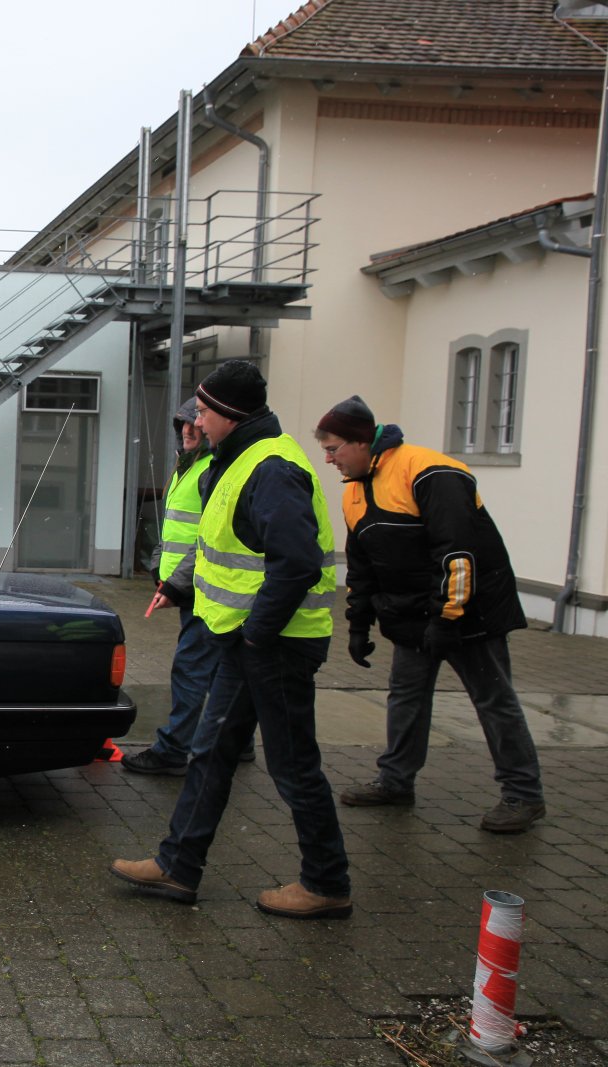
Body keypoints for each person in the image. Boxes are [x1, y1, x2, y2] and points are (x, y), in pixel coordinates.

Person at [111, 359, 352, 920]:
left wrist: (258, 635)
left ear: (229, 414)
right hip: (248, 641)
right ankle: (178, 866)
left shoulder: (272, 468)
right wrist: (178, 584)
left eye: (203, 410)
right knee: (211, 751)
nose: (196, 419)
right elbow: (215, 539)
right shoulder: (236, 458)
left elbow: (295, 563)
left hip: (276, 644)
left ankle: (326, 883)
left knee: (293, 765)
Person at [316, 396, 545, 833]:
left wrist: (446, 620)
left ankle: (524, 794)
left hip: (471, 612)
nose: (329, 460)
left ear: (360, 441)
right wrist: (358, 625)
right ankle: (395, 781)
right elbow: (362, 567)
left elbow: (458, 554)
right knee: (406, 696)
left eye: (333, 449)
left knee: (493, 700)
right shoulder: (354, 490)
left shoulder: (431, 472)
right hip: (412, 615)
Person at [123, 398, 252, 774]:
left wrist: (175, 581)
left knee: (191, 668)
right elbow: (175, 526)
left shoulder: (210, 469)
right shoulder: (188, 467)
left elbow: (207, 535)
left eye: (195, 422)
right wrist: (159, 565)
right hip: (192, 583)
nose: (187, 429)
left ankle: (173, 750)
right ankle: (238, 741)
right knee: (218, 667)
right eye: (182, 423)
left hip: (202, 584)